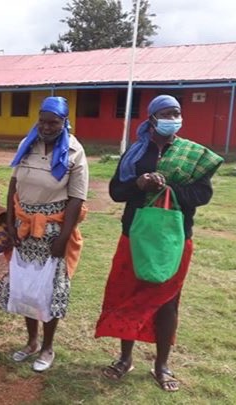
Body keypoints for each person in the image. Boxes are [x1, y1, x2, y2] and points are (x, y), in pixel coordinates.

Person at [95, 95, 223, 392]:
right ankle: (125, 358)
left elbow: (202, 195)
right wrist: (139, 184)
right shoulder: (136, 153)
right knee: (128, 294)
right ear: (152, 118)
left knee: (167, 301)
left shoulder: (191, 155)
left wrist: (168, 186)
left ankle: (161, 365)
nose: (172, 118)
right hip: (135, 236)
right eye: (166, 114)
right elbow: (116, 192)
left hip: (173, 240)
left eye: (176, 113)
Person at [6, 96, 88, 372]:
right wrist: (10, 223)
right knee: (27, 285)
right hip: (25, 226)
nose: (47, 127)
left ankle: (47, 347)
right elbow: (13, 186)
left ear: (64, 122)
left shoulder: (74, 151)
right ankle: (31, 342)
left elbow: (76, 199)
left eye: (53, 122)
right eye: (42, 121)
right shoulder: (27, 144)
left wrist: (63, 238)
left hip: (53, 229)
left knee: (50, 289)